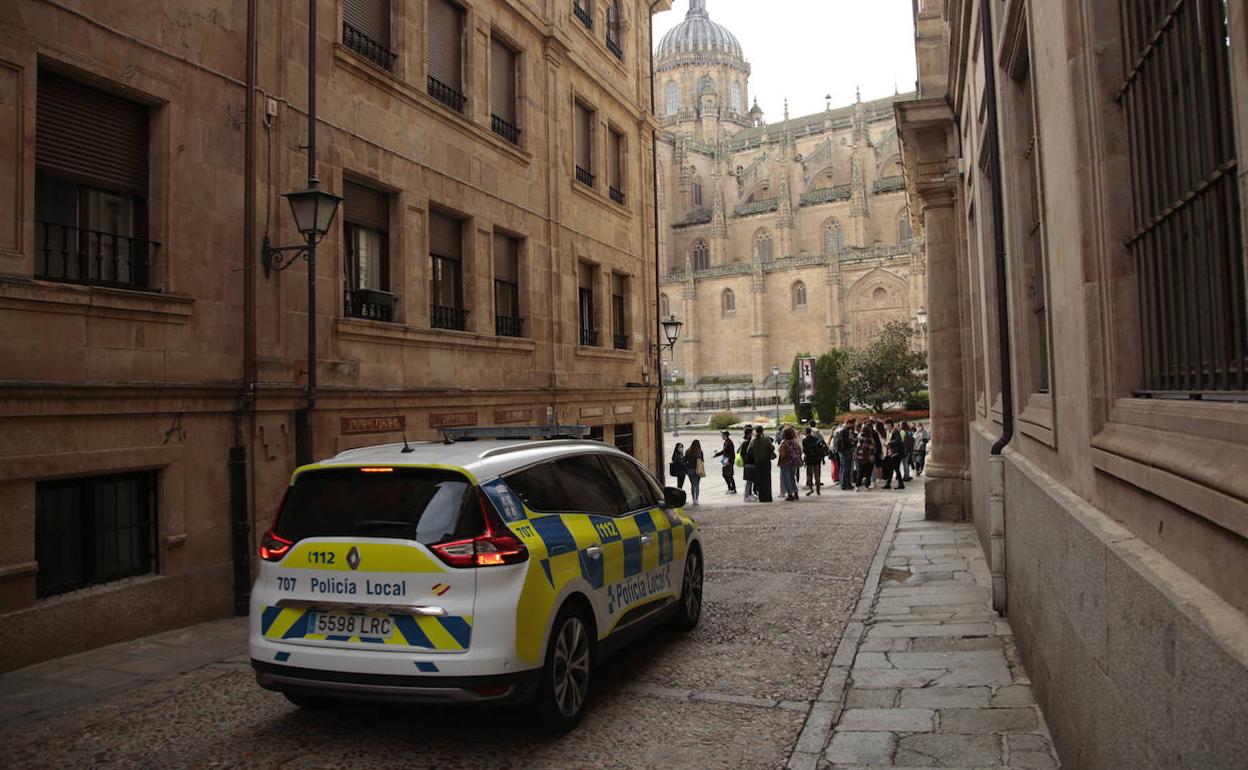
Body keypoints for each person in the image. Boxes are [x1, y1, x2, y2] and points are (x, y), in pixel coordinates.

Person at [747, 425, 776, 502]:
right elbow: (772, 448)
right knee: (767, 479)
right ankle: (768, 497)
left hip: (757, 462)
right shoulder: (766, 440)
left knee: (759, 480)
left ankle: (761, 497)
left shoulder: (753, 441)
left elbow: (749, 451)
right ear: (762, 431)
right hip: (766, 461)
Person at [778, 427, 803, 501]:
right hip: (794, 462)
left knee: (786, 478)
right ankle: (795, 492)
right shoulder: (795, 442)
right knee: (792, 478)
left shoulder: (784, 442)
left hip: (786, 462)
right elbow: (800, 451)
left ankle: (789, 494)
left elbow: (782, 453)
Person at [833, 418, 858, 491]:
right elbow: (847, 441)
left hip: (840, 450)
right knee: (847, 468)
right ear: (849, 423)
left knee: (842, 467)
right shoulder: (845, 430)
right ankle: (845, 484)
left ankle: (842, 483)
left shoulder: (839, 429)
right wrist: (852, 444)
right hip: (846, 450)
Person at [883, 421, 906, 490]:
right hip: (890, 452)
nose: (885, 427)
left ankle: (900, 484)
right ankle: (889, 483)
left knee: (895, 468)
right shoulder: (888, 432)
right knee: (891, 468)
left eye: (886, 425)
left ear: (890, 425)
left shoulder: (895, 431)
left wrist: (889, 443)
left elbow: (898, 440)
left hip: (896, 453)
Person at [855, 422, 878, 490]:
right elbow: (873, 447)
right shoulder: (870, 438)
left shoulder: (859, 437)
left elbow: (857, 447)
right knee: (868, 472)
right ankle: (866, 485)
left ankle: (857, 486)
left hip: (860, 457)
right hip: (869, 457)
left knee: (860, 472)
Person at [802, 426, 824, 496]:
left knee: (809, 474)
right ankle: (818, 489)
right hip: (816, 458)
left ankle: (811, 489)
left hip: (809, 458)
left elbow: (804, 451)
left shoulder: (804, 440)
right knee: (817, 474)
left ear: (806, 432)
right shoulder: (816, 439)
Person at [684, 440, 705, 505]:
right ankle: (696, 499)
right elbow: (702, 461)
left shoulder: (688, 451)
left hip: (690, 470)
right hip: (698, 470)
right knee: (697, 485)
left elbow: (685, 461)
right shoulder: (700, 452)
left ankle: (693, 499)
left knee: (692, 485)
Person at [740, 425, 756, 501]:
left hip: (747, 463)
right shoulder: (748, 442)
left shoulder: (744, 442)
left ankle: (749, 494)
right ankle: (746, 496)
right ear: (749, 434)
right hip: (749, 463)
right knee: (749, 480)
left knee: (750, 480)